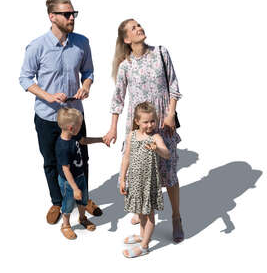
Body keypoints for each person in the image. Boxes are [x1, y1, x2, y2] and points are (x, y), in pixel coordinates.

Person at [19, 0, 102, 225]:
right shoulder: (37, 46)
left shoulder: (82, 43)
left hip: (75, 115)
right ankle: (57, 202)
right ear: (52, 16)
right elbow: (25, 79)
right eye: (67, 14)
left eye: (74, 13)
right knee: (51, 162)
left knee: (82, 158)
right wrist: (48, 96)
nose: (72, 17)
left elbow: (89, 72)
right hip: (47, 116)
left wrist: (86, 85)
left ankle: (83, 200)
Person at [104, 19, 184, 242]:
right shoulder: (125, 66)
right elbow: (118, 98)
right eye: (133, 28)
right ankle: (143, 212)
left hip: (162, 122)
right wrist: (113, 129)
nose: (139, 28)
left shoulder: (160, 53)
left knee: (168, 173)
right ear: (127, 39)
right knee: (140, 172)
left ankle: (176, 217)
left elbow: (174, 86)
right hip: (138, 125)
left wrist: (170, 114)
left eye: (139, 25)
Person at [120, 102, 170, 257]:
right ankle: (142, 236)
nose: (150, 125)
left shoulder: (155, 137)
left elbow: (166, 154)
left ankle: (144, 246)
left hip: (149, 183)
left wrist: (158, 148)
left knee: (149, 214)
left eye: (152, 121)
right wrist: (122, 178)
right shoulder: (132, 135)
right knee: (140, 211)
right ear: (137, 121)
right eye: (146, 122)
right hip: (135, 181)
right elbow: (126, 157)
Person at [56, 108, 105, 239]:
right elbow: (65, 170)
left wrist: (101, 139)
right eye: (80, 125)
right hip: (69, 182)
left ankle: (82, 218)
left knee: (83, 200)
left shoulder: (73, 136)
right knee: (68, 203)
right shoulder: (63, 147)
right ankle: (65, 225)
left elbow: (83, 140)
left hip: (80, 176)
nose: (81, 127)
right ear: (71, 128)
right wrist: (75, 188)